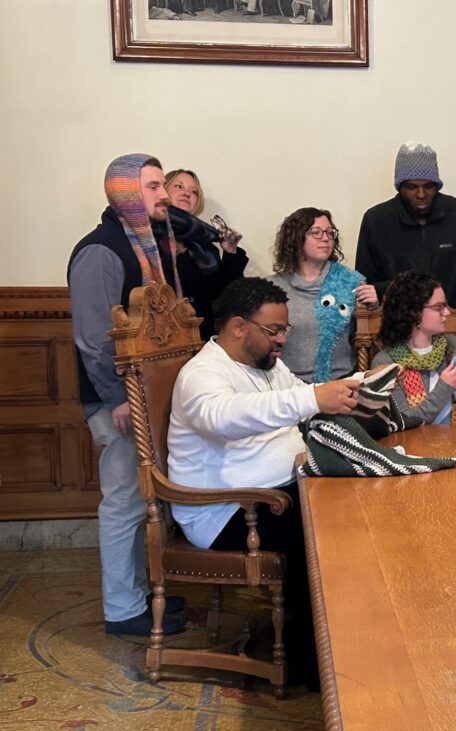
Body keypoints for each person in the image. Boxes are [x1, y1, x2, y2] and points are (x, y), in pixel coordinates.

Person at [166, 277, 361, 689]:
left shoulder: (267, 365)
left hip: (274, 494)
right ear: (240, 327)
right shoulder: (202, 373)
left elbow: (301, 398)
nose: (282, 340)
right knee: (326, 536)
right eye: (275, 331)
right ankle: (315, 666)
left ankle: (345, 642)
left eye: (284, 330)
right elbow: (225, 417)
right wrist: (312, 399)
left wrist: (355, 392)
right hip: (228, 512)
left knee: (355, 509)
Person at [68, 153, 188, 636]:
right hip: (118, 401)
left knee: (141, 502)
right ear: (125, 193)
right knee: (122, 501)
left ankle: (140, 594)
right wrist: (119, 396)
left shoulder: (148, 248)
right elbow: (95, 336)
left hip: (142, 395)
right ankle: (122, 609)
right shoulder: (100, 250)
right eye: (154, 186)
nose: (163, 195)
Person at [356, 142, 456, 329]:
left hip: (453, 331)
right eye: (412, 187)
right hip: (395, 335)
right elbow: (365, 286)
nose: (421, 194)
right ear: (399, 186)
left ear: (437, 185)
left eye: (428, 186)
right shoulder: (376, 220)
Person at [371, 271, 456, 424]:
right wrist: (444, 387)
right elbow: (405, 421)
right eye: (439, 307)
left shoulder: (455, 346)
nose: (447, 313)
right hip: (415, 446)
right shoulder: (386, 363)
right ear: (414, 311)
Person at [266, 207, 377, 383]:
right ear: (296, 238)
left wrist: (373, 305)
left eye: (329, 232)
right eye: (316, 233)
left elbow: (368, 330)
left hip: (341, 382)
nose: (325, 238)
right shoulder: (272, 287)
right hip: (287, 386)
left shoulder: (349, 282)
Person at [164, 168, 248, 340]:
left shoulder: (204, 244)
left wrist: (230, 253)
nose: (187, 193)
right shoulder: (151, 235)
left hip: (201, 334)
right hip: (165, 337)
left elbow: (225, 295)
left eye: (193, 191)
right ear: (162, 190)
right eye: (179, 187)